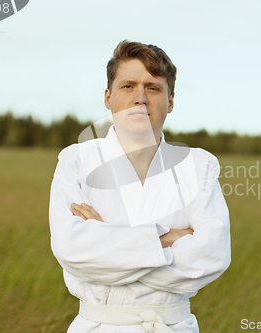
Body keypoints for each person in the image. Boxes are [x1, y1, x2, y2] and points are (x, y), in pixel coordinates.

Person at [49, 40, 231, 333]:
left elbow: (212, 256)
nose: (140, 98)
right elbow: (73, 250)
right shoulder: (77, 160)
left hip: (171, 325)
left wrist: (106, 237)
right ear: (108, 98)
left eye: (153, 87)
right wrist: (168, 238)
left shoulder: (199, 166)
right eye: (128, 86)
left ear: (170, 101)